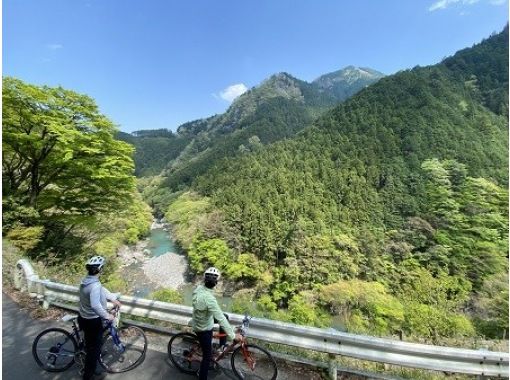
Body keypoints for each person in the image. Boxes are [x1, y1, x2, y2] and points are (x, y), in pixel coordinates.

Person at [191, 267, 242, 380]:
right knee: (207, 357)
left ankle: (222, 345)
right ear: (216, 282)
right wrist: (233, 336)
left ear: (204, 279)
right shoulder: (209, 299)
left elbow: (220, 317)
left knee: (225, 316)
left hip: (201, 319)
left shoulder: (199, 289)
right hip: (203, 328)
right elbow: (220, 319)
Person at [78, 255, 121, 380]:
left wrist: (113, 297)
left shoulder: (86, 281)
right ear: (100, 269)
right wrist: (108, 316)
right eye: (102, 268)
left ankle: (93, 368)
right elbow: (96, 305)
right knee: (94, 350)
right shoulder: (95, 285)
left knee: (90, 345)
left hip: (83, 317)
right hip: (92, 321)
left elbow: (101, 290)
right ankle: (87, 376)